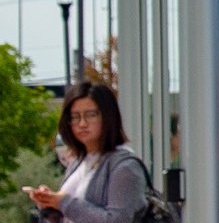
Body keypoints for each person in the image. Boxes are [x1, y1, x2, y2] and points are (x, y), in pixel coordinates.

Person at [24, 82, 148, 222]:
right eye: (75, 117)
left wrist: (63, 202)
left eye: (90, 115)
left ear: (108, 116)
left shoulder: (125, 167)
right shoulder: (78, 162)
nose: (82, 123)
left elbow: (117, 220)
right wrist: (50, 204)